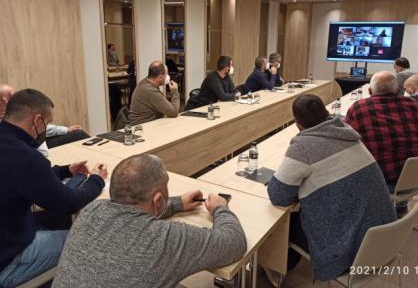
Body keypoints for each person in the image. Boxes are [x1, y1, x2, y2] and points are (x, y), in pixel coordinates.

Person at [52, 154, 247, 288]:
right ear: (157, 200)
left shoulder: (91, 210)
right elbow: (234, 242)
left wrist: (177, 203)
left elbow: (135, 211)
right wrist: (220, 208)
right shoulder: (167, 238)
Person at [266, 94, 396, 283]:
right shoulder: (346, 129)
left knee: (284, 223)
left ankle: (278, 270)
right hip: (385, 235)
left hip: (351, 250)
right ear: (327, 114)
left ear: (298, 125)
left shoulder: (302, 146)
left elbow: (278, 195)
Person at [0, 89, 108, 288]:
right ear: (37, 120)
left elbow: (23, 178)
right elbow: (69, 203)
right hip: (9, 261)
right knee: (91, 237)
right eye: (48, 123)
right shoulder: (26, 156)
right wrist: (96, 180)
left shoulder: (8, 144)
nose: (47, 128)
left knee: (56, 220)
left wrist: (65, 170)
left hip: (8, 234)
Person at [344, 71, 418, 194]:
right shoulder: (415, 105)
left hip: (380, 179)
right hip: (415, 176)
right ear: (397, 89)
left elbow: (348, 142)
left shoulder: (359, 108)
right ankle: (400, 207)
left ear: (370, 92)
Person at [0, 84, 89, 156]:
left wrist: (66, 130)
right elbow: (41, 153)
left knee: (78, 134)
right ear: (3, 103)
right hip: (37, 152)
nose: (17, 99)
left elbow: (42, 127)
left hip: (40, 145)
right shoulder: (9, 123)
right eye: (12, 96)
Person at [129, 61, 180, 125]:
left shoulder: (145, 82)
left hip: (146, 124)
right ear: (161, 77)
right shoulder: (151, 91)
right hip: (144, 128)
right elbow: (174, 112)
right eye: (166, 74)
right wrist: (175, 91)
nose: (168, 76)